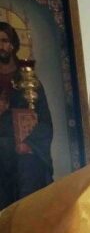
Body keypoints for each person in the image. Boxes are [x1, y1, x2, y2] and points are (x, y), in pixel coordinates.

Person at [0, 21, 53, 210]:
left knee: (28, 207)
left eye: (4, 40)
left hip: (26, 158)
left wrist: (29, 143)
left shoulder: (29, 80)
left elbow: (45, 122)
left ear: (12, 44)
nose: (0, 46)